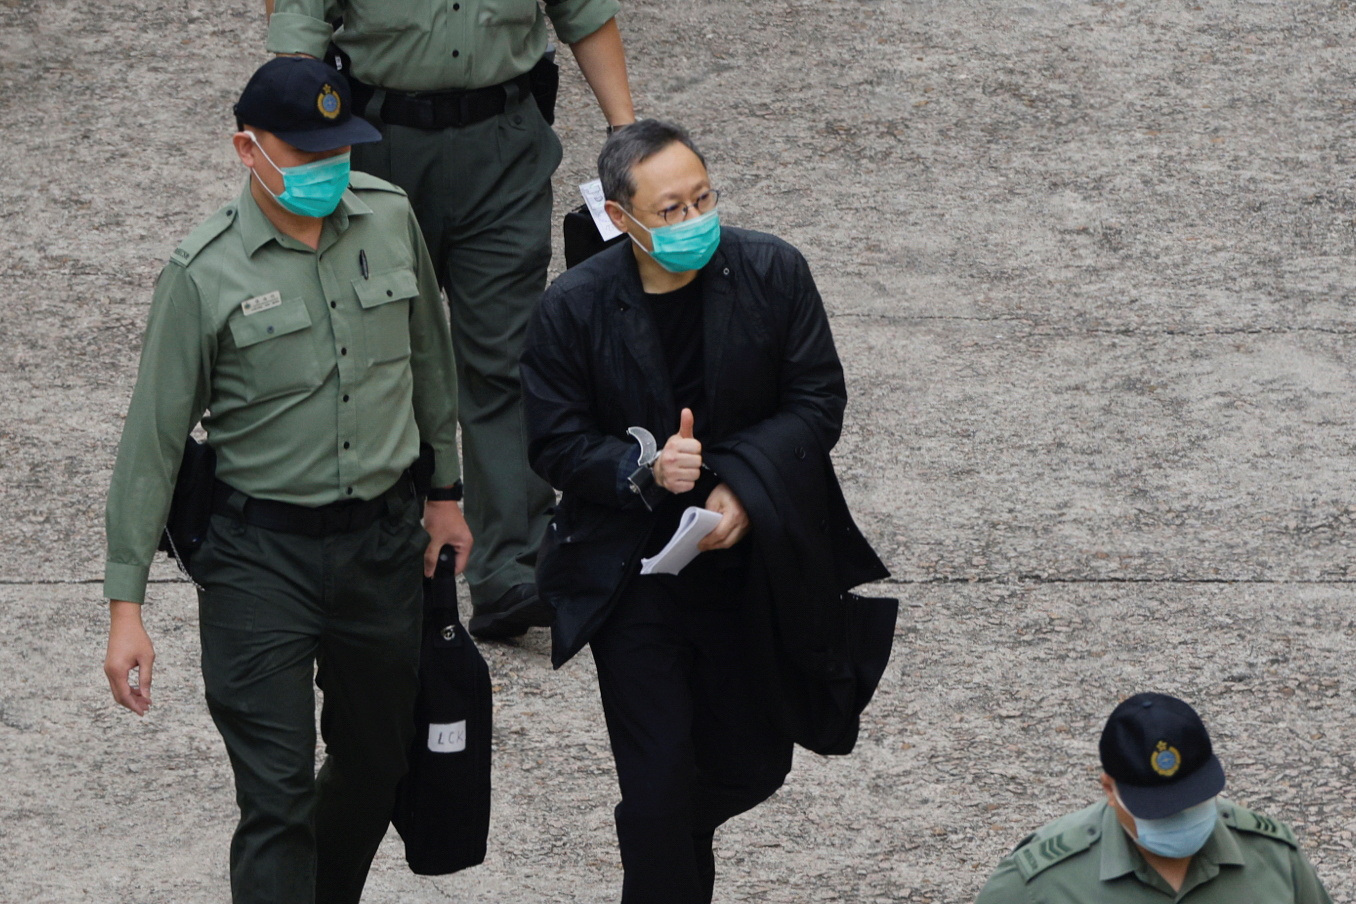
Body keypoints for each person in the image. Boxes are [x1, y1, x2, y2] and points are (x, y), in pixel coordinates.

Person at [101, 57, 471, 904]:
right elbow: (152, 441)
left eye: (341, 151)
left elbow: (428, 364)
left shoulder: (388, 218)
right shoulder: (202, 271)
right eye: (306, 155)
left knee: (378, 765)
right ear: (246, 148)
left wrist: (446, 496)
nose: (328, 171)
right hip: (258, 560)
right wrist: (127, 610)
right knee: (273, 795)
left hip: (382, 547)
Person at [520, 120, 889, 903]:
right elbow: (552, 443)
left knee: (749, 767)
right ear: (622, 219)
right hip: (633, 580)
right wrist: (641, 468)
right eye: (672, 210)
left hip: (750, 569)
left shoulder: (773, 271)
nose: (695, 221)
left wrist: (742, 489)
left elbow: (817, 401)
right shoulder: (574, 307)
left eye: (704, 198)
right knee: (655, 791)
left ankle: (669, 841)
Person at [265, 0, 636, 639]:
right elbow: (298, 28)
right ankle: (378, 561)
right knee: (372, 356)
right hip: (378, 147)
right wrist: (291, 149)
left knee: (507, 355)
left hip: (505, 148)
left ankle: (511, 569)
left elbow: (583, 12)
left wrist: (625, 136)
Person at [975, 692, 1333, 903]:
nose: (1179, 815)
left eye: (1192, 798)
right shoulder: (1038, 882)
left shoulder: (1275, 857)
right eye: (1158, 810)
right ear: (1109, 791)